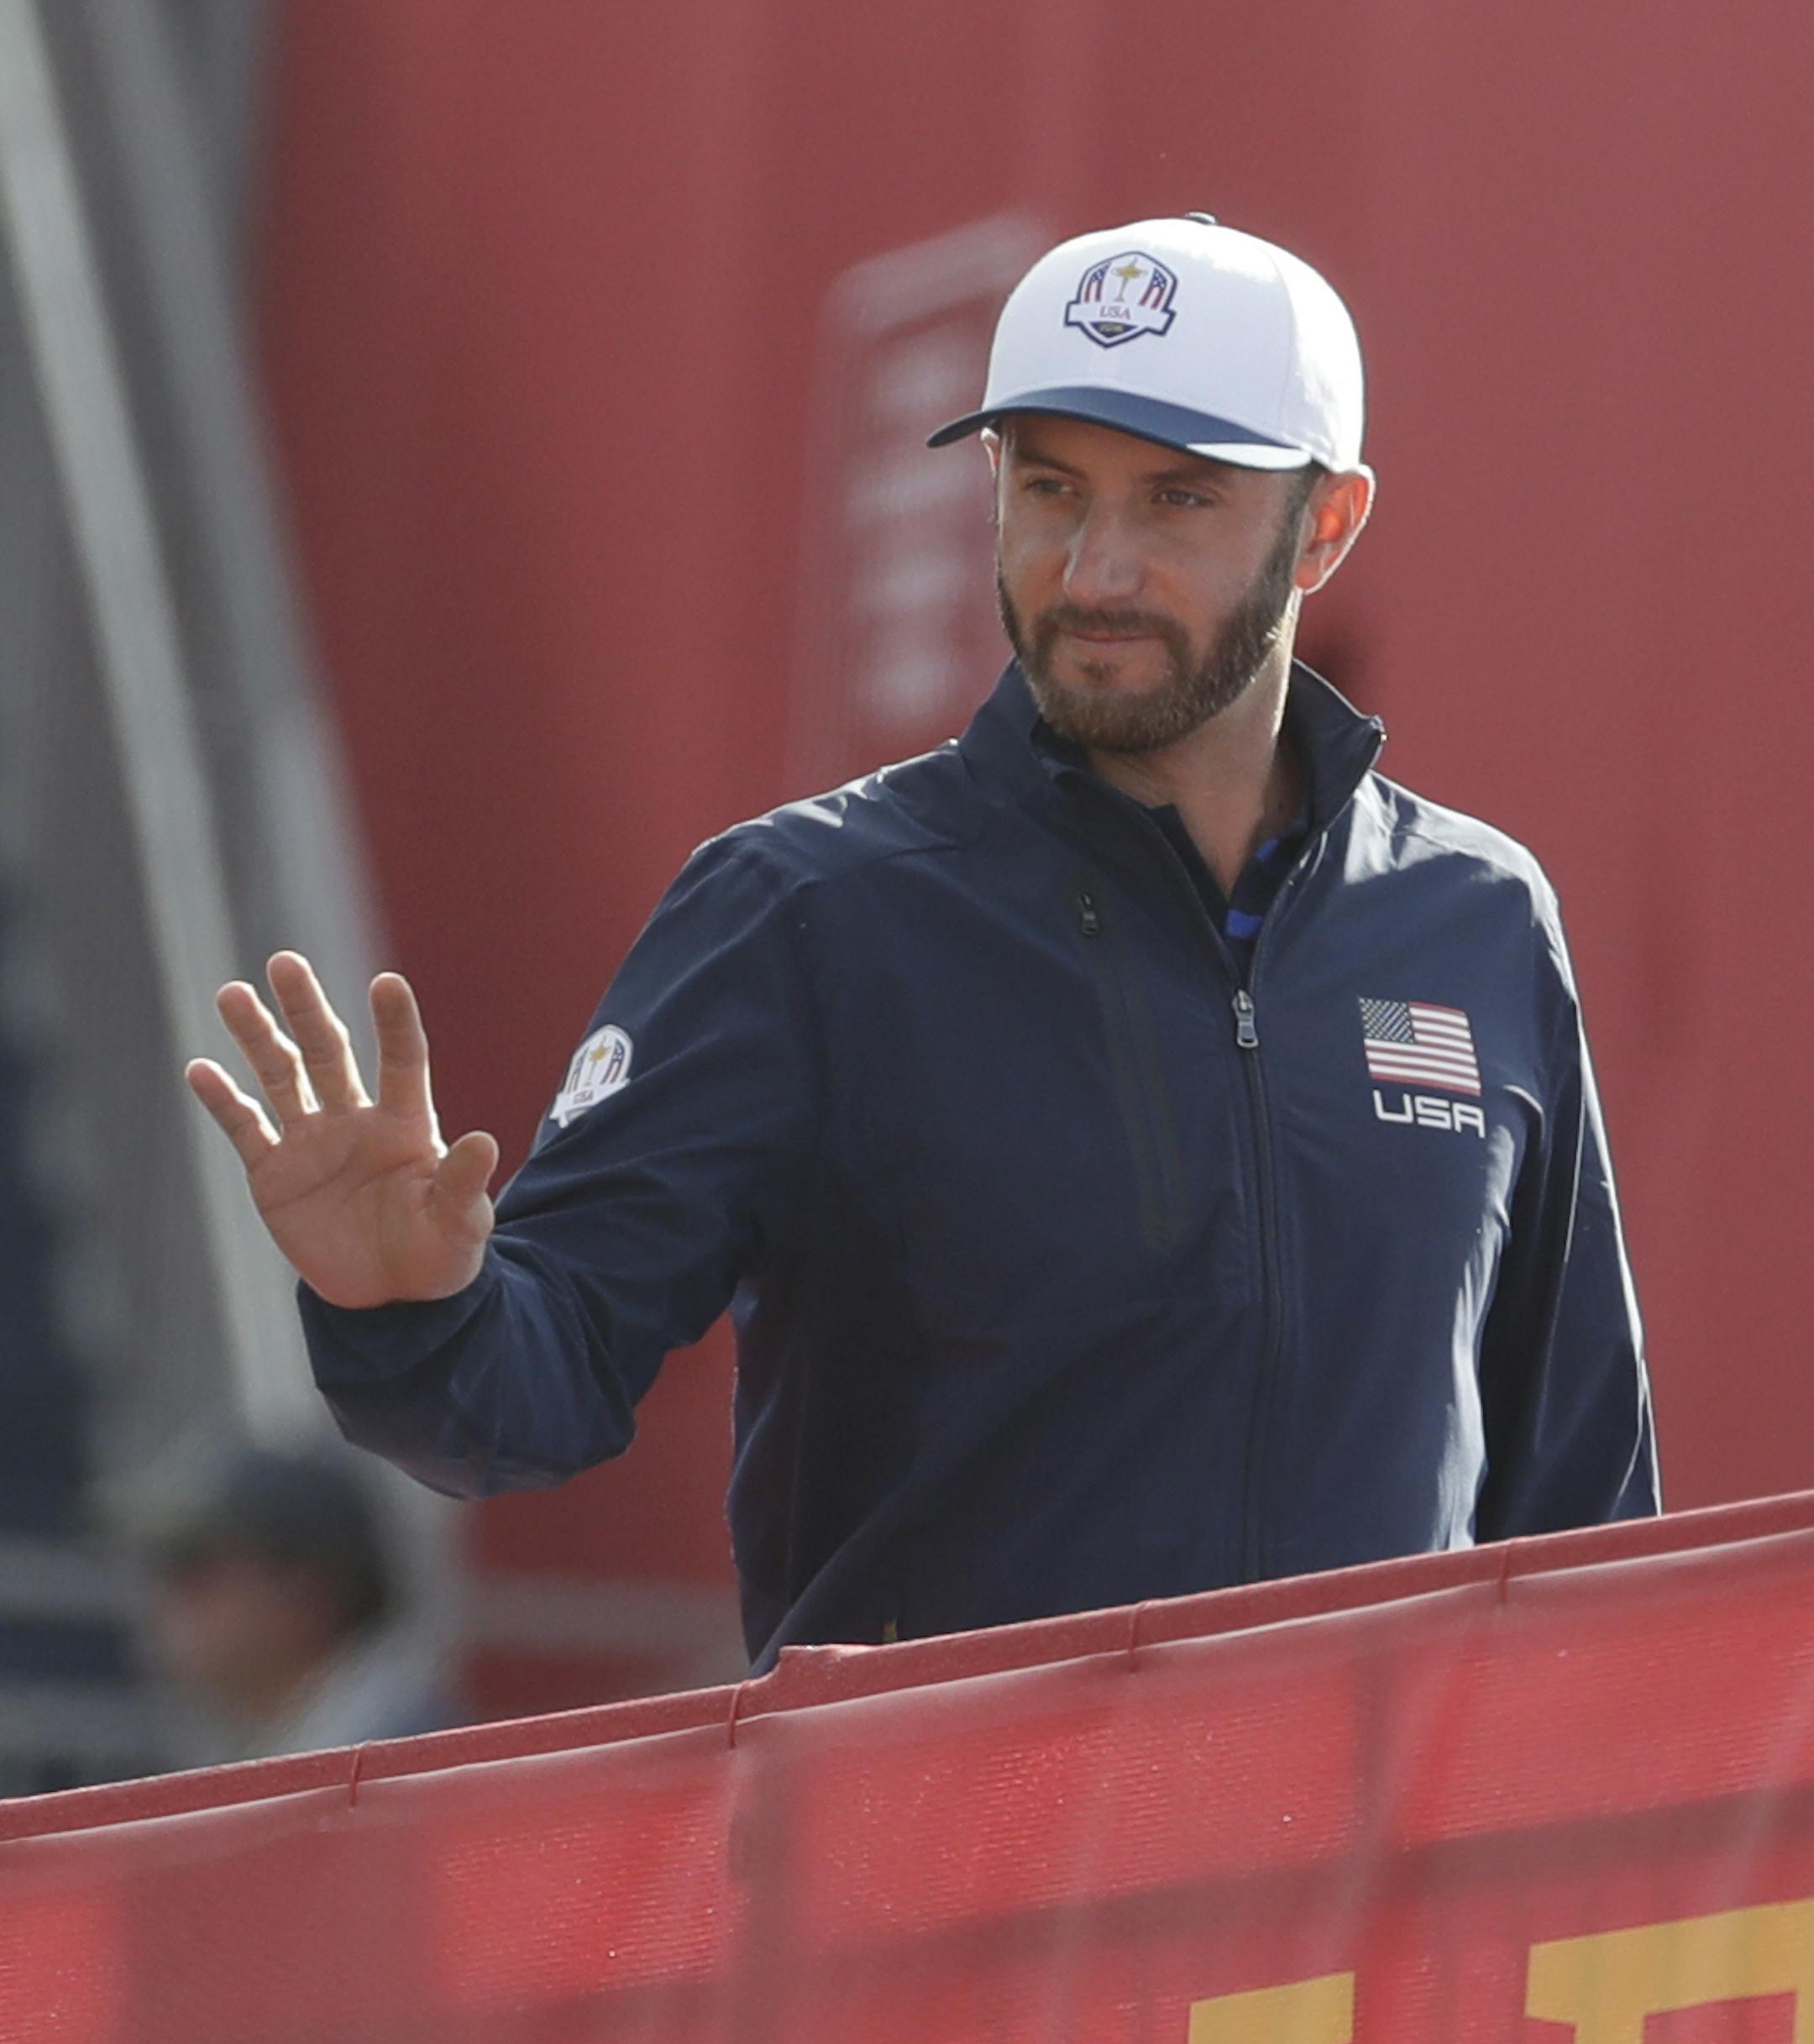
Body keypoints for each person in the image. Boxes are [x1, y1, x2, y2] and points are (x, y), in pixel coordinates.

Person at [186, 214, 1658, 1674]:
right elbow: (526, 1393)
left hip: (1359, 1895)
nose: (1093, 570)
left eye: (1180, 503)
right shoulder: (808, 912)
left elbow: (1582, 1501)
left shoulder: (1476, 919)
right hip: (933, 1885)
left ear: (1323, 527)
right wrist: (408, 1304)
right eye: (1051, 489)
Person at [130, 1439, 459, 1764]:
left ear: (303, 1588)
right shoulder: (303, 1737)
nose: (175, 1594)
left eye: (195, 1563)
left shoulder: (392, 1755)